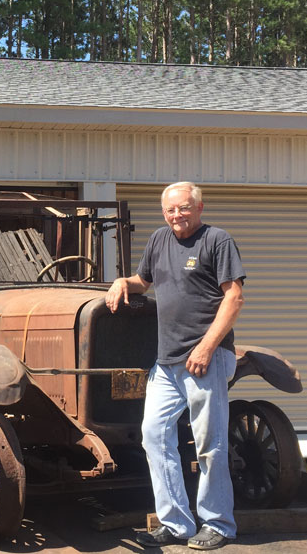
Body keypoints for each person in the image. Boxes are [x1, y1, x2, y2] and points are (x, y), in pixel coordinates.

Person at [105, 182, 245, 551]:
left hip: (205, 358)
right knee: (153, 435)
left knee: (209, 445)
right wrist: (123, 282)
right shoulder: (158, 240)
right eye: (170, 210)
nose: (176, 216)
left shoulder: (217, 240)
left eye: (183, 208)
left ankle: (219, 524)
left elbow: (234, 297)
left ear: (200, 207)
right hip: (166, 361)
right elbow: (144, 281)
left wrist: (206, 347)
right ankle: (176, 523)